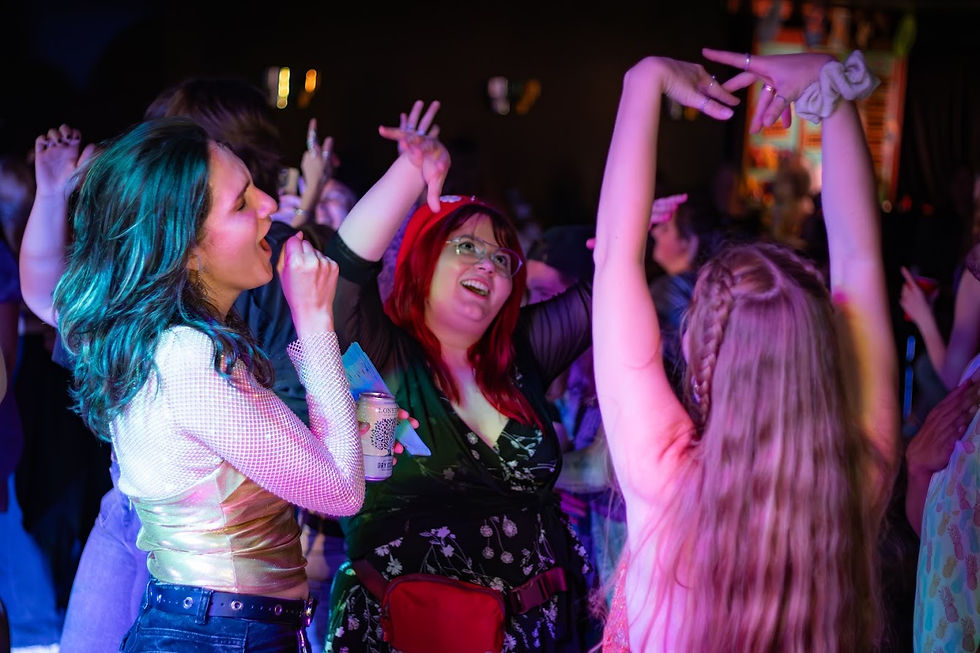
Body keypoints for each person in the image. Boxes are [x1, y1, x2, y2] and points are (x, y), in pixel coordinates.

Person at [592, 50, 899, 651]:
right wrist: (830, 93)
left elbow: (614, 258)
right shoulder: (860, 476)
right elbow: (860, 259)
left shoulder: (662, 471)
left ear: (699, 346)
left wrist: (645, 80)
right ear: (823, 354)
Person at [50, 117, 364, 650]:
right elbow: (341, 491)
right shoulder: (185, 356)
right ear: (187, 248)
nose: (270, 205)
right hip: (218, 633)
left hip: (219, 626)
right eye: (242, 203)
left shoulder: (174, 342)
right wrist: (314, 320)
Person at [324, 101, 600, 652]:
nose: (488, 264)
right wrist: (411, 171)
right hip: (410, 631)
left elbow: (605, 294)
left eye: (502, 259)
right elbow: (345, 267)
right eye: (467, 247)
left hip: (535, 630)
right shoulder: (384, 356)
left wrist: (629, 231)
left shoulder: (519, 354)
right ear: (423, 262)